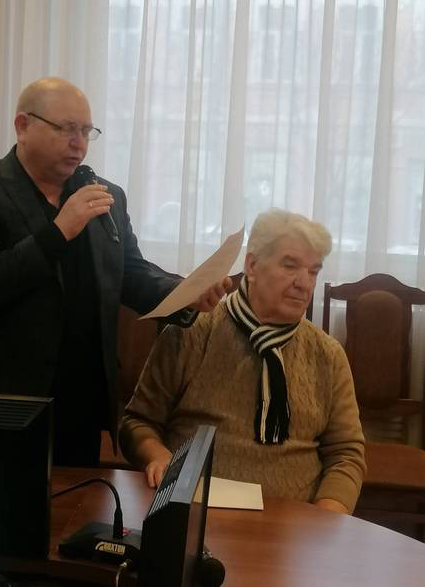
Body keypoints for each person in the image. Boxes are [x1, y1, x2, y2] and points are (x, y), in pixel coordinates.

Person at [0, 77, 229, 467]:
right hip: (1, 398)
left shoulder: (103, 194)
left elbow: (129, 273)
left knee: (76, 501)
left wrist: (186, 293)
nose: (79, 143)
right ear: (23, 125)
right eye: (66, 129)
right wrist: (59, 231)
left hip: (81, 400)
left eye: (86, 131)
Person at [120, 209, 366, 514]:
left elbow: (346, 454)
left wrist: (326, 518)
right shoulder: (193, 332)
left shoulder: (326, 354)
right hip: (197, 513)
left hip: (296, 524)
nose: (304, 283)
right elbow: (137, 422)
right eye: (290, 265)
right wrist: (157, 457)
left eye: (313, 271)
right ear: (252, 265)